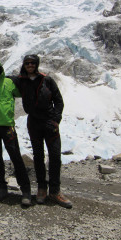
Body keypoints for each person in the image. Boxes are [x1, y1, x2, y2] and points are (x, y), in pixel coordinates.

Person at [11, 54, 72, 208]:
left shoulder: (47, 80)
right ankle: (42, 189)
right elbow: (0, 78)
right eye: (27, 63)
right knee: (38, 156)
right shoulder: (20, 80)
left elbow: (58, 101)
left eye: (32, 63)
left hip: (49, 122)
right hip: (34, 122)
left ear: (37, 64)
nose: (30, 65)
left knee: (55, 156)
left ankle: (55, 190)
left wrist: (56, 120)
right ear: (24, 65)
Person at [0, 58, 31, 206]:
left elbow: (23, 92)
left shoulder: (9, 83)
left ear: (0, 68)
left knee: (15, 156)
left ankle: (26, 190)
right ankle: (2, 187)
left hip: (7, 126)